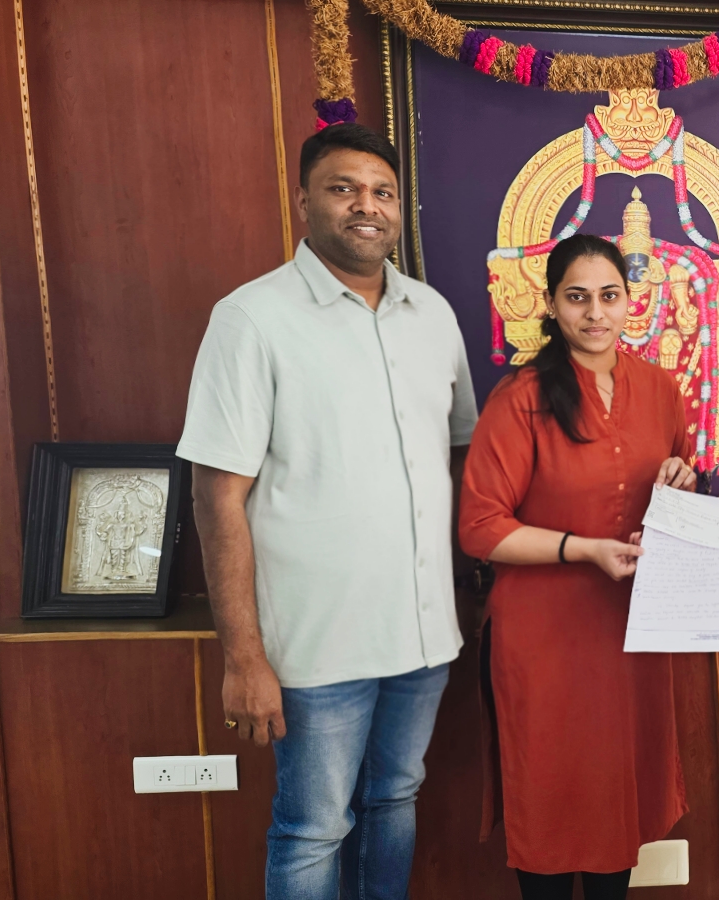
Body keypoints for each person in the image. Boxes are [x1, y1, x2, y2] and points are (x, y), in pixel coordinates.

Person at [178, 123, 477, 899]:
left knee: (394, 800)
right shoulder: (252, 318)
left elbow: (459, 457)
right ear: (304, 200)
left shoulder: (433, 316)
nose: (365, 206)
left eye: (382, 192)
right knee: (313, 827)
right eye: (343, 189)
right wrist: (243, 657)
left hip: (422, 637)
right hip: (313, 646)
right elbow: (216, 495)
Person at [459, 234, 696, 900]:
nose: (595, 313)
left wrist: (682, 478)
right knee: (550, 800)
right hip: (544, 637)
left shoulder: (659, 388)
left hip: (631, 630)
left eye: (609, 296)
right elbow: (479, 528)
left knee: (615, 803)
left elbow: (674, 491)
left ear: (629, 301)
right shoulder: (522, 397)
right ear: (552, 305)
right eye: (577, 297)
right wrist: (583, 549)